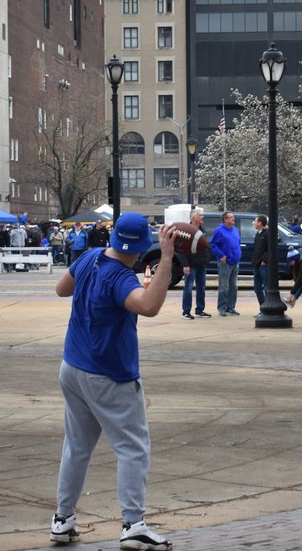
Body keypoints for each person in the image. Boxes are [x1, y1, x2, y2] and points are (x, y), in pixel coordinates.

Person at [49, 213, 175, 550]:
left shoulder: (91, 256)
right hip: (109, 375)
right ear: (140, 247)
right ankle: (133, 524)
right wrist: (166, 258)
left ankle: (62, 520)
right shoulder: (121, 278)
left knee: (76, 447)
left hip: (72, 366)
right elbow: (148, 306)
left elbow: (62, 289)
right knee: (132, 447)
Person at [179, 208, 211, 320]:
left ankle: (200, 310)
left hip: (201, 263)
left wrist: (207, 258)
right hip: (191, 264)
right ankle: (186, 311)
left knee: (201, 287)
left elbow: (204, 246)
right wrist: (185, 265)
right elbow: (181, 249)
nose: (202, 217)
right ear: (193, 218)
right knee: (188, 287)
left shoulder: (203, 230)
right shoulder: (187, 231)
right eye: (200, 215)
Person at [210, 210, 241, 316]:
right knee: (224, 286)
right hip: (225, 262)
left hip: (235, 262)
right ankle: (222, 307)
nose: (233, 219)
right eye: (231, 217)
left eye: (233, 217)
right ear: (225, 219)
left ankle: (231, 307)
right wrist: (221, 255)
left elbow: (237, 243)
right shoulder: (219, 231)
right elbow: (213, 245)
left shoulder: (235, 230)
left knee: (234, 286)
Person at [250, 214, 268, 316]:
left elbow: (270, 249)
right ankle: (263, 308)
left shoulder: (267, 234)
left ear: (260, 222)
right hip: (257, 264)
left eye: (256, 221)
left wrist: (264, 260)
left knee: (266, 287)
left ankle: (266, 309)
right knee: (257, 288)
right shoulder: (258, 234)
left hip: (264, 265)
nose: (254, 223)